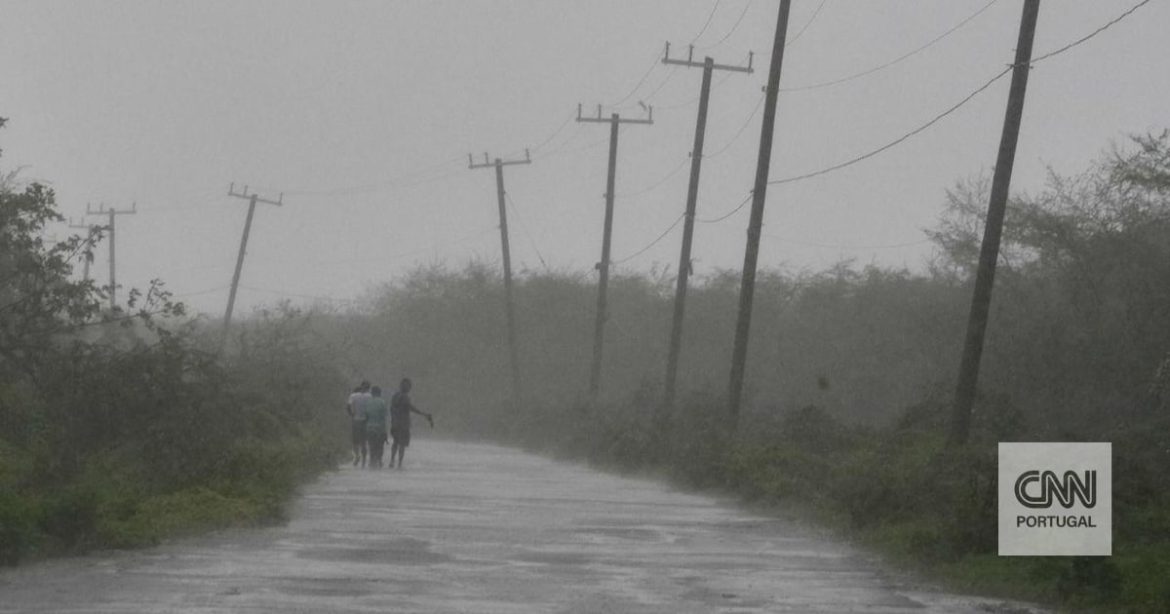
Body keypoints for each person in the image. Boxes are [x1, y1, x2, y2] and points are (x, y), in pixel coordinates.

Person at [389, 378, 433, 469]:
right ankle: (399, 463)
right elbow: (411, 408)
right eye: (409, 386)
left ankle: (392, 461)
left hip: (395, 424)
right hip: (403, 425)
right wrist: (424, 414)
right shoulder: (405, 397)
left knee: (395, 443)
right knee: (402, 445)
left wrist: (393, 420)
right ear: (408, 387)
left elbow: (392, 409)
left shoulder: (395, 396)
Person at [361, 386, 390, 469]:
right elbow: (384, 418)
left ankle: (371, 462)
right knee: (380, 446)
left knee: (371, 446)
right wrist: (385, 431)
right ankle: (380, 461)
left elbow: (366, 417)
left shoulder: (368, 402)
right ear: (379, 393)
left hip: (369, 428)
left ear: (372, 393)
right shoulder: (382, 402)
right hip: (380, 428)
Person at [346, 380, 371, 467]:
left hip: (356, 420)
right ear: (368, 388)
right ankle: (363, 461)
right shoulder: (370, 396)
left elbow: (348, 406)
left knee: (355, 441)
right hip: (365, 421)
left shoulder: (353, 395)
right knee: (363, 442)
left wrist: (351, 414)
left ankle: (357, 457)